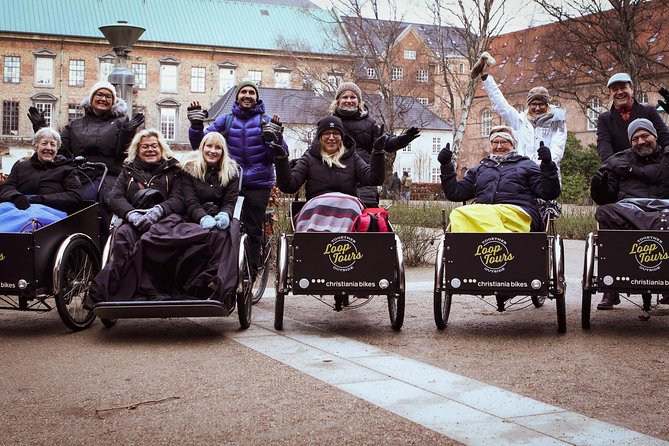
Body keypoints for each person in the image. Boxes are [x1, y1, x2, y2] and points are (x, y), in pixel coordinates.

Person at [187, 80, 287, 278]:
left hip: (258, 183)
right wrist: (196, 126)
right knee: (224, 223)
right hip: (230, 180)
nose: (247, 95)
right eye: (244, 92)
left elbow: (279, 155)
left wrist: (274, 139)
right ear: (237, 96)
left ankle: (250, 271)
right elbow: (203, 146)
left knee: (253, 227)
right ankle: (222, 265)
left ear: (257, 97)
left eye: (251, 92)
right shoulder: (226, 120)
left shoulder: (265, 121)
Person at [85, 129, 185, 308]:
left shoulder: (173, 170)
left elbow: (178, 198)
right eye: (144, 147)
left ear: (161, 148)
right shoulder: (128, 171)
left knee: (152, 240)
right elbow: (114, 197)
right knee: (122, 237)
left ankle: (153, 289)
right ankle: (125, 290)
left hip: (165, 220)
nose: (150, 150)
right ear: (137, 150)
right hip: (134, 219)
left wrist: (159, 210)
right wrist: (131, 214)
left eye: (154, 146)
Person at [589, 118, 669, 308]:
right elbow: (605, 198)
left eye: (645, 136)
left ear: (655, 136)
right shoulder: (618, 161)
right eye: (635, 138)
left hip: (664, 209)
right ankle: (611, 287)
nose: (640, 142)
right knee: (604, 212)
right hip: (630, 211)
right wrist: (598, 188)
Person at [27, 81, 144, 199]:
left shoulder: (121, 122)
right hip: (79, 174)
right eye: (99, 94)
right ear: (91, 98)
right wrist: (41, 128)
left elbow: (122, 155)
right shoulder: (75, 124)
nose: (103, 99)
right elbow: (59, 150)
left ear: (113, 102)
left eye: (108, 96)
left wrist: (127, 133)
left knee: (92, 198)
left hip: (109, 175)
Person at [438, 128, 561, 233]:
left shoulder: (527, 165)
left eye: (504, 142)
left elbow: (549, 193)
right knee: (457, 214)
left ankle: (499, 246)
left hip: (518, 213)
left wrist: (547, 164)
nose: (499, 146)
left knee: (489, 214)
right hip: (484, 213)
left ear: (513, 144)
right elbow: (456, 193)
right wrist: (446, 165)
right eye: (495, 142)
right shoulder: (479, 169)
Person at [275, 116, 386, 232]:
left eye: (336, 134)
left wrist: (378, 152)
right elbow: (289, 186)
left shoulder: (352, 158)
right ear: (320, 137)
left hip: (348, 209)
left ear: (342, 137)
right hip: (317, 209)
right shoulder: (309, 158)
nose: (331, 138)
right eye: (327, 133)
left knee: (353, 206)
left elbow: (374, 179)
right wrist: (281, 158)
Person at [329, 81, 420, 207]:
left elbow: (387, 142)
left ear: (359, 101)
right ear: (338, 101)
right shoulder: (329, 124)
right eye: (345, 97)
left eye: (353, 97)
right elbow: (316, 149)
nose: (349, 100)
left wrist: (403, 139)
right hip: (337, 180)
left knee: (366, 219)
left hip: (365, 181)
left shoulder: (370, 123)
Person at [471, 52, 567, 168]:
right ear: (529, 105)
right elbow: (502, 106)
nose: (537, 108)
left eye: (541, 104)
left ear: (547, 104)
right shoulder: (521, 121)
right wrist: (486, 78)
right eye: (534, 104)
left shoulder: (556, 120)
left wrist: (546, 162)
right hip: (524, 173)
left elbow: (558, 146)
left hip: (546, 173)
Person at [0, 128, 82, 231]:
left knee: (29, 220)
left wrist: (43, 199)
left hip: (50, 211)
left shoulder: (67, 169)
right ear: (35, 146)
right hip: (18, 206)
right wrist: (15, 196)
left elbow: (74, 196)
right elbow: (6, 186)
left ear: (57, 148)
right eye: (44, 143)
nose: (48, 148)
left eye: (53, 145)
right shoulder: (20, 167)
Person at [596, 73, 669, 163]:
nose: (619, 92)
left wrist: (667, 153)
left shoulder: (648, 111)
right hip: (622, 170)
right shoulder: (605, 119)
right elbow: (604, 145)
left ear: (632, 89)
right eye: (615, 89)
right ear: (610, 93)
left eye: (623, 87)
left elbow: (663, 135)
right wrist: (612, 165)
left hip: (652, 166)